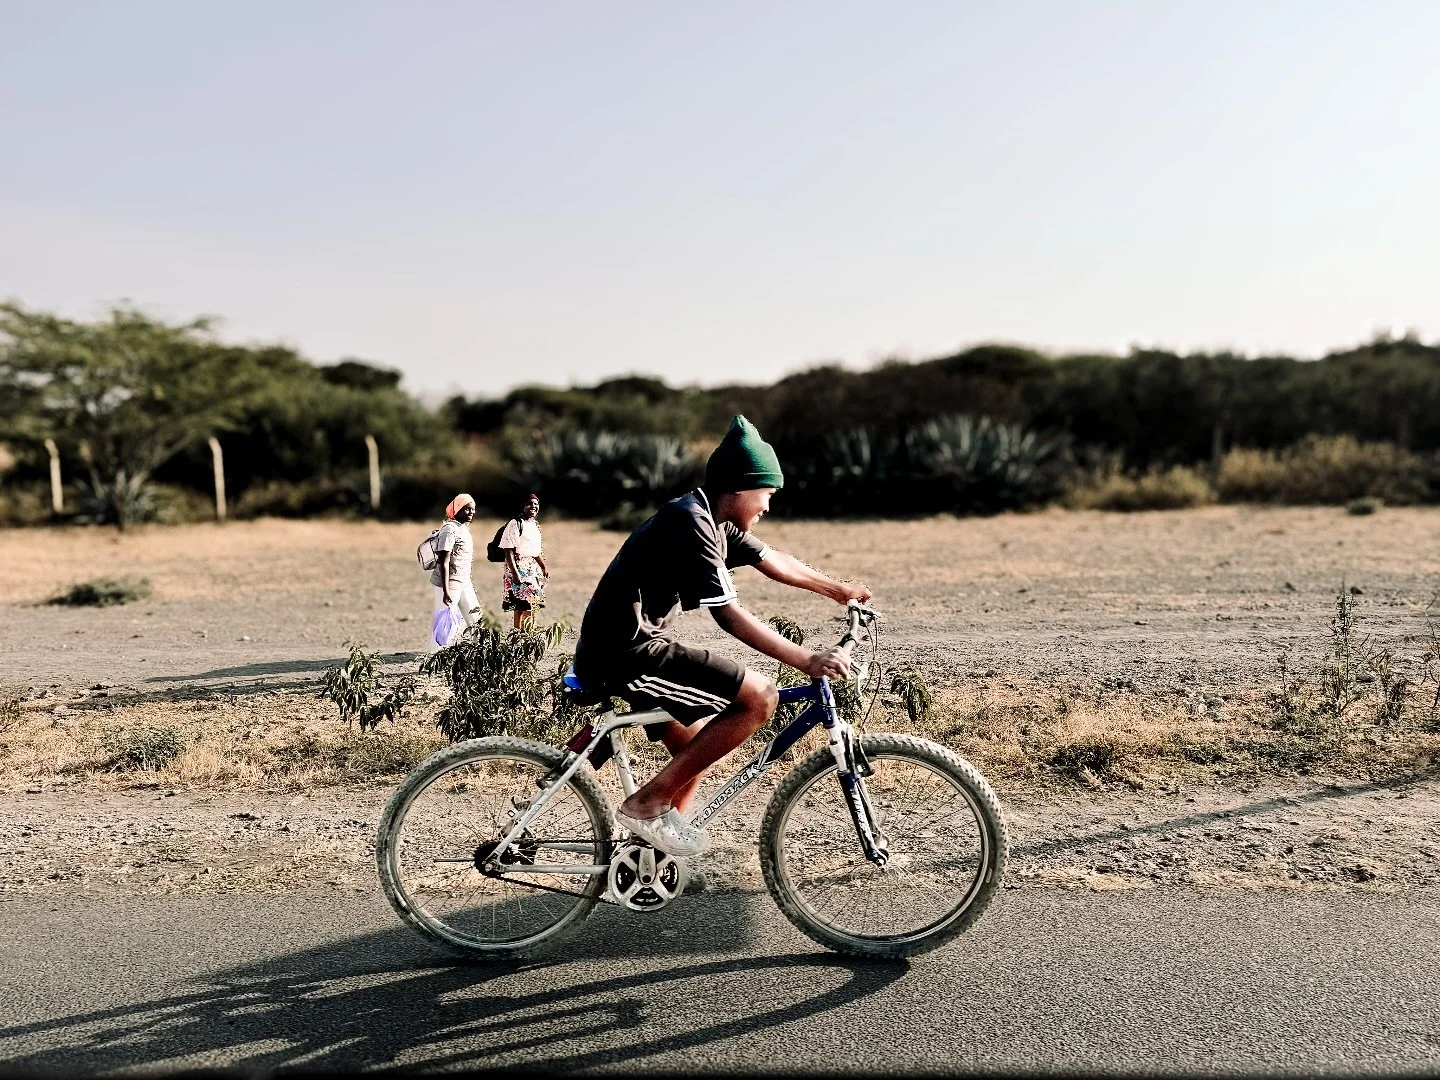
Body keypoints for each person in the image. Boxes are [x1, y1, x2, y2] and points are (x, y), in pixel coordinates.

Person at [572, 415, 871, 856]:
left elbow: (774, 559)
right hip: (627, 653)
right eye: (766, 494)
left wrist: (839, 590)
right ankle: (647, 804)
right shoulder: (691, 522)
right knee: (760, 697)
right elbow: (728, 616)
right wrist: (806, 660)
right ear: (737, 488)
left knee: (694, 751)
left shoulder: (711, 519)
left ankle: (652, 855)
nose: (768, 506)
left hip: (632, 647)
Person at [429, 493, 482, 651]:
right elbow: (443, 561)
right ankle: (436, 657)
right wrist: (446, 591)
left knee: (476, 617)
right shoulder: (450, 529)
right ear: (457, 509)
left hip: (463, 581)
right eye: (466, 509)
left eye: (472, 509)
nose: (471, 513)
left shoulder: (463, 528)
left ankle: (480, 651)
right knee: (446, 622)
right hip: (450, 583)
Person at [499, 493, 548, 630]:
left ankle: (521, 637)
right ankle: (523, 637)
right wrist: (515, 574)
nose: (533, 506)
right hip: (518, 569)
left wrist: (543, 567)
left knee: (525, 605)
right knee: (525, 605)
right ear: (522, 506)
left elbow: (535, 551)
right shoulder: (514, 523)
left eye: (536, 504)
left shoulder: (534, 525)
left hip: (532, 570)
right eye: (529, 503)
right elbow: (508, 550)